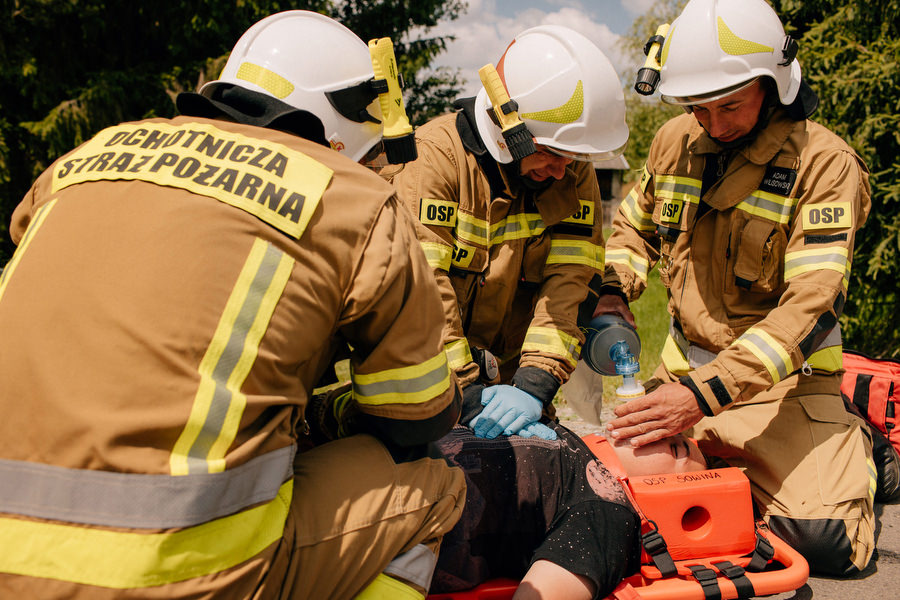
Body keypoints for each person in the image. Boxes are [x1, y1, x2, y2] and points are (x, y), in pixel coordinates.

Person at [0, 11, 465, 600]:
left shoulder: (82, 161)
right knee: (432, 483)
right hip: (179, 575)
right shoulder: (351, 196)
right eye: (369, 156)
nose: (371, 169)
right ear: (340, 132)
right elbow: (415, 414)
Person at [599, 0, 884, 576]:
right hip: (683, 383)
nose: (714, 124)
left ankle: (865, 444)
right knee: (613, 498)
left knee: (824, 544)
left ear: (774, 84)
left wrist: (705, 394)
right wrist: (614, 292)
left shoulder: (824, 163)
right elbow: (633, 225)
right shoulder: (674, 142)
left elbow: (811, 303)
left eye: (730, 104)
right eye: (697, 107)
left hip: (785, 387)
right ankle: (739, 467)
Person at [385, 25, 631, 443]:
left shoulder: (572, 168)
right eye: (551, 154)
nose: (562, 170)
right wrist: (469, 394)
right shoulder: (432, 161)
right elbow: (422, 297)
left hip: (519, 389)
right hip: (439, 383)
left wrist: (535, 384)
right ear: (507, 128)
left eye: (573, 157)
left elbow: (570, 282)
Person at [429, 423, 708, 600]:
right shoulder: (574, 443)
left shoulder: (607, 513)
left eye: (676, 447)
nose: (662, 431)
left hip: (415, 511)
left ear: (660, 492)